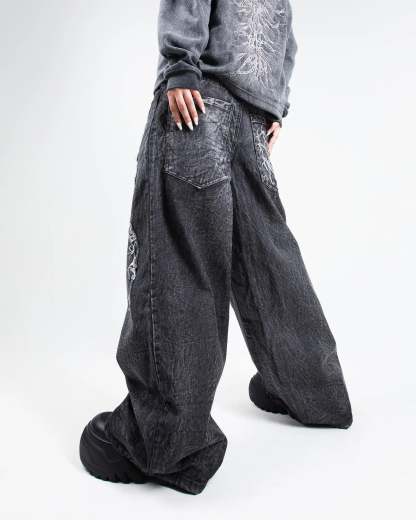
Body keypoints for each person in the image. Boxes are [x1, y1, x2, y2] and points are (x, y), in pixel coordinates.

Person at [79, 0, 353, 495]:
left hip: (197, 103)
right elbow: (283, 34)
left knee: (182, 266)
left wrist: (180, 64)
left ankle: (163, 443)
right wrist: (275, 104)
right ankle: (315, 392)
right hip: (254, 121)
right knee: (269, 259)